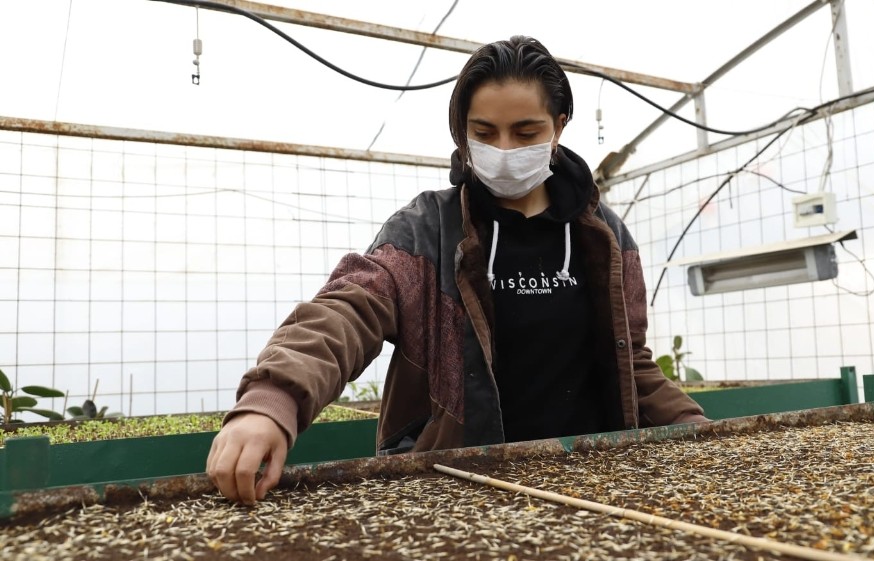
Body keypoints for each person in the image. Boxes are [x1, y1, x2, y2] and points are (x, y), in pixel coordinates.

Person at [206, 35, 708, 505]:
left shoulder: (606, 239)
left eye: (526, 131)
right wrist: (272, 400)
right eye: (484, 133)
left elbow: (631, 364)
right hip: (461, 487)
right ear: (462, 133)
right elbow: (347, 310)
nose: (505, 150)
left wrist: (704, 435)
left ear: (560, 125)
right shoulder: (427, 231)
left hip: (592, 483)